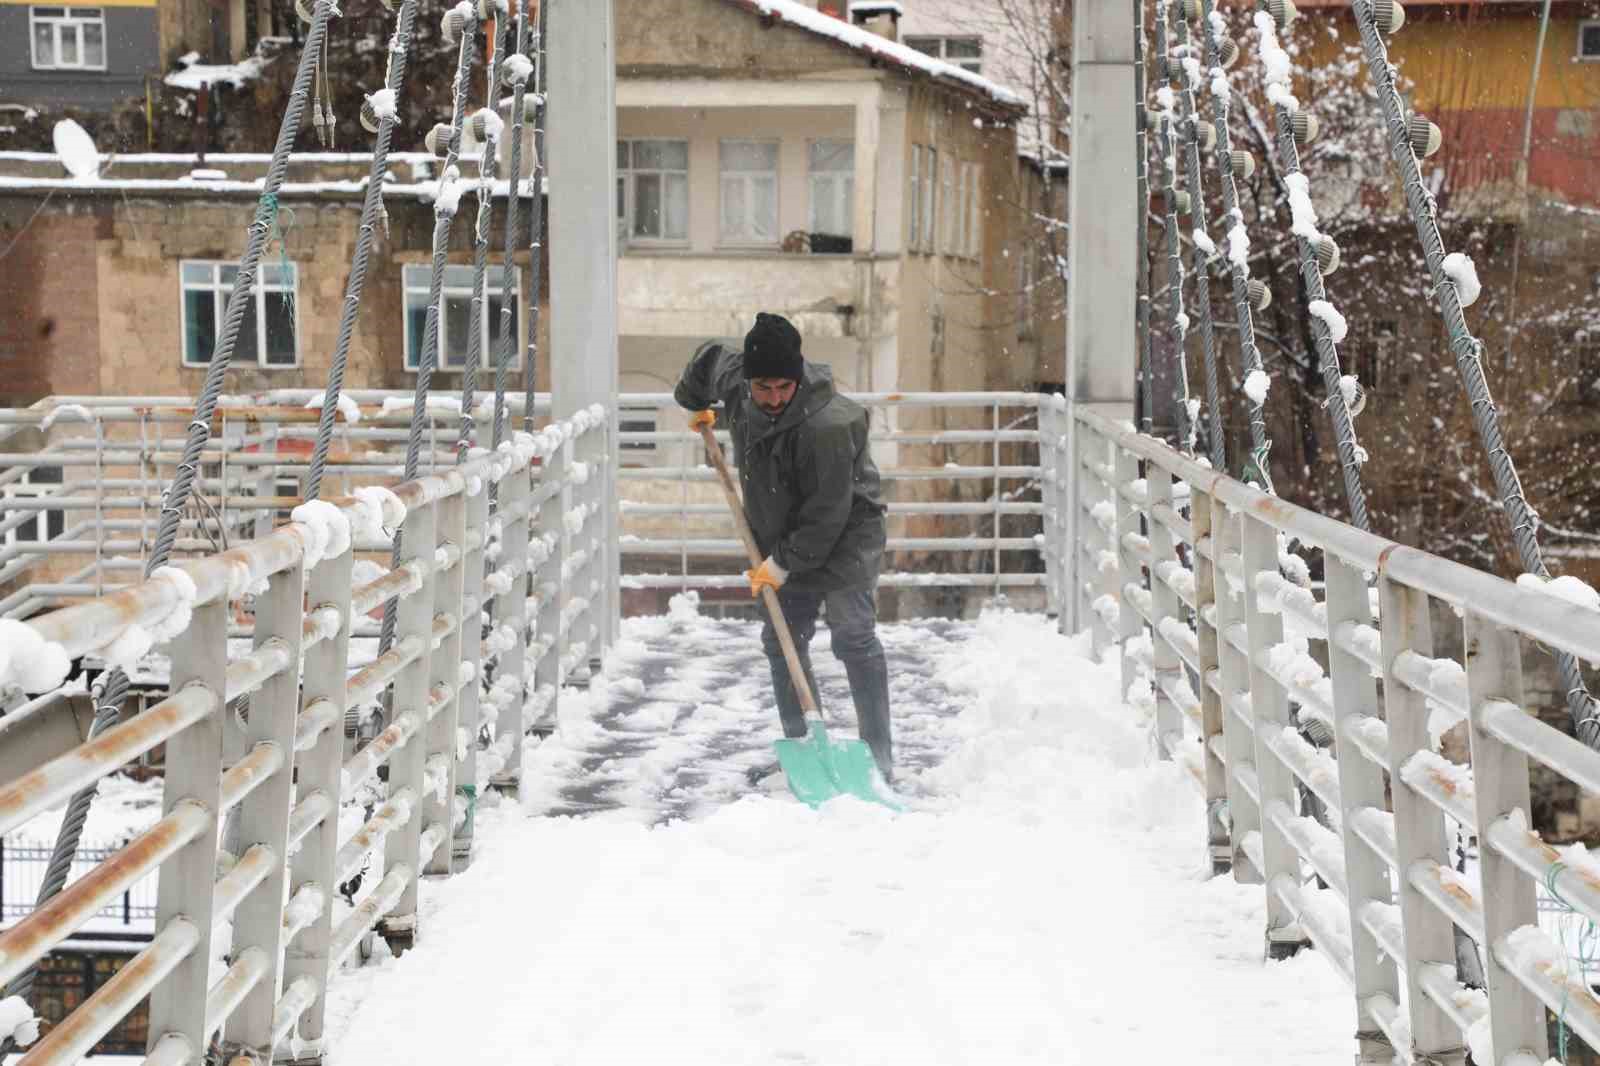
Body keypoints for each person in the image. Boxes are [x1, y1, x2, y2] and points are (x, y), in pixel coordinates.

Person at [674, 312, 893, 780]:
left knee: (853, 636)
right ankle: (804, 750)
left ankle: (878, 759)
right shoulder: (736, 381)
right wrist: (694, 402)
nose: (773, 398)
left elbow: (826, 515)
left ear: (797, 379)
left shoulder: (828, 426)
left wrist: (781, 564)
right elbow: (708, 358)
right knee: (782, 641)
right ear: (747, 381)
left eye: (783, 388)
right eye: (763, 388)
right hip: (780, 534)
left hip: (846, 534)